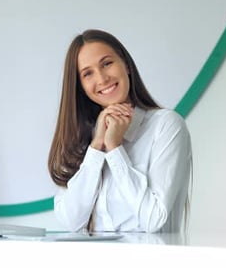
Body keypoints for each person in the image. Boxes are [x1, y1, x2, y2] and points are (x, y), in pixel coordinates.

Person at [48, 29, 192, 233]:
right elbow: (72, 221)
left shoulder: (166, 126)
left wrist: (115, 148)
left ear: (126, 65)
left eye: (107, 63)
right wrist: (97, 147)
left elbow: (154, 218)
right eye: (88, 73)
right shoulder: (84, 140)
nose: (102, 78)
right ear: (81, 86)